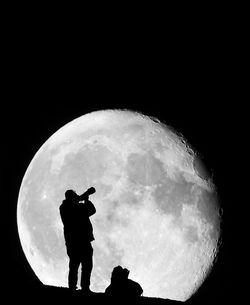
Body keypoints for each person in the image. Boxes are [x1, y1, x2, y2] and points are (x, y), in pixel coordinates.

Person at [59, 187, 96, 293]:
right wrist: (84, 195)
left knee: (87, 266)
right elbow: (72, 207)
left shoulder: (79, 206)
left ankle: (85, 287)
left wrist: (86, 200)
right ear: (70, 198)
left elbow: (92, 210)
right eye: (74, 196)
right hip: (74, 241)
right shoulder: (64, 207)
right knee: (74, 266)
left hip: (84, 240)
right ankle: (72, 287)